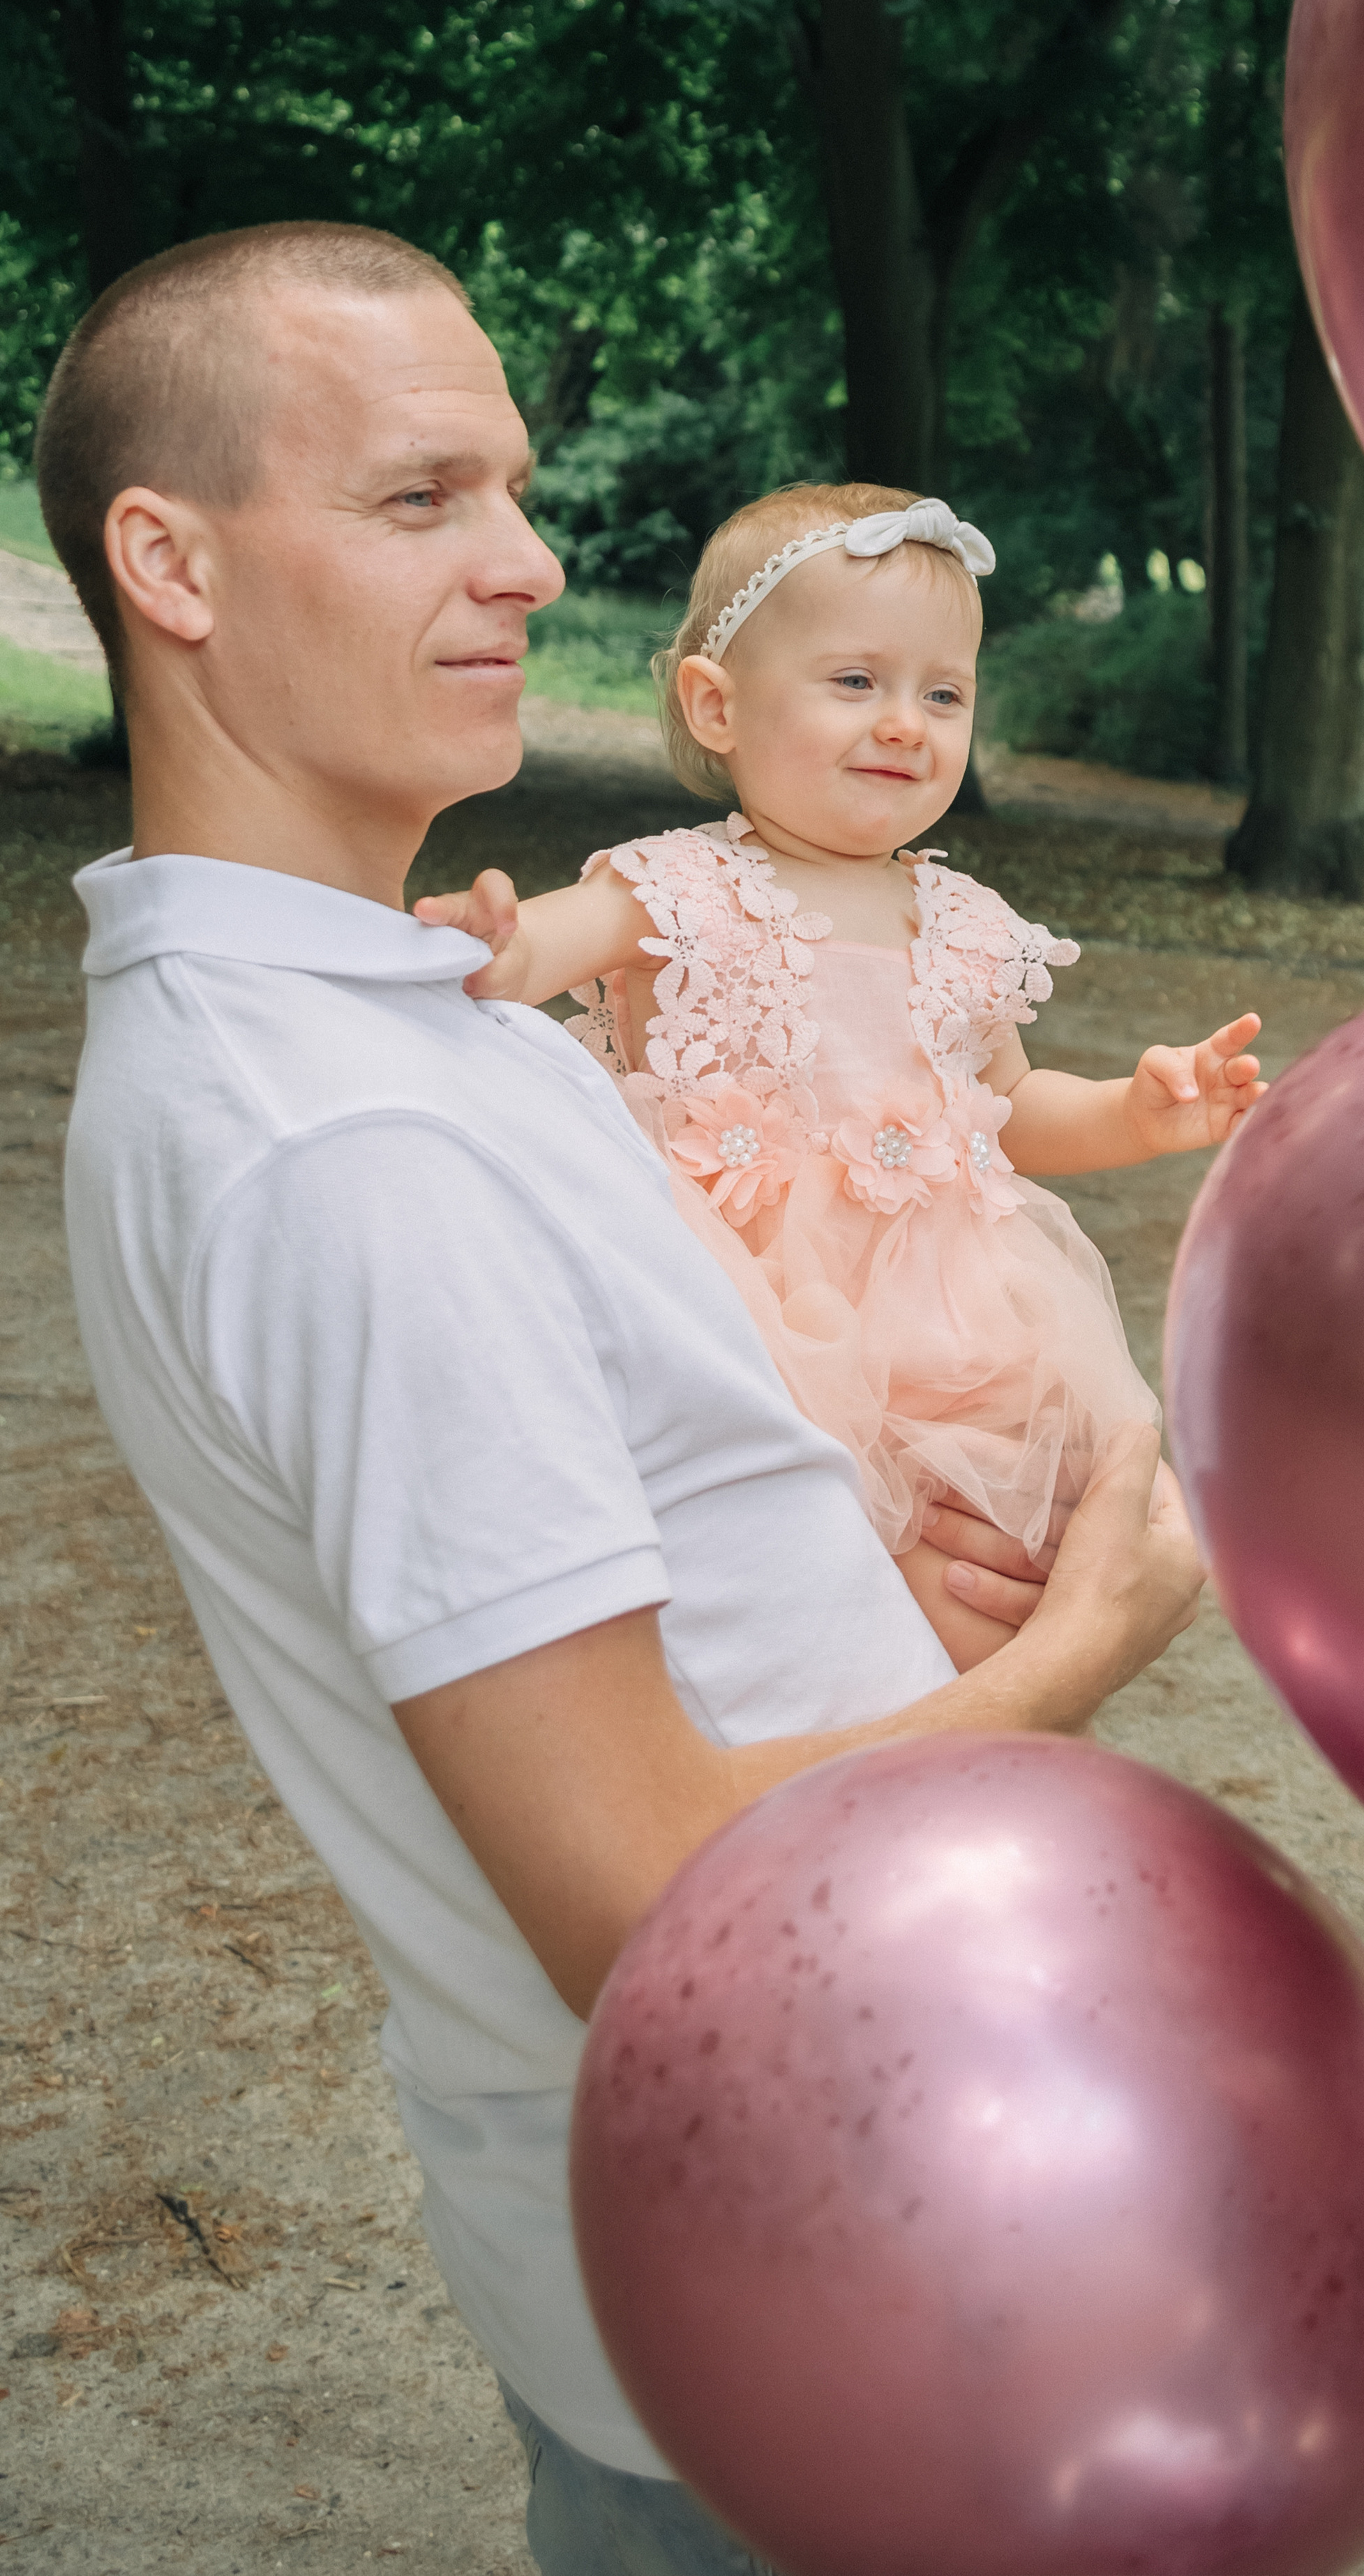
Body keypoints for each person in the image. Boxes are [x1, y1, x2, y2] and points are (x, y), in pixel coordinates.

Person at [42, 220, 1204, 2576]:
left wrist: (883, 1561)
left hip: (838, 2193)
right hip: (781, 2278)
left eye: (516, 488)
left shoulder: (401, 1021)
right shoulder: (349, 1148)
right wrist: (1091, 1634)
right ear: (169, 564)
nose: (529, 558)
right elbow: (652, 1910)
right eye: (420, 498)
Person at [415, 481, 1265, 1669]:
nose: (907, 724)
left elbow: (1006, 1108)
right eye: (857, 681)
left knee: (986, 1574)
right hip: (748, 1312)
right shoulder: (675, 890)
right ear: (716, 706)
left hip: (952, 1328)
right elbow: (533, 951)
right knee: (811, 1579)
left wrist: (1135, 1111)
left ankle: (946, 1714)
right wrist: (493, 941)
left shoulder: (961, 920)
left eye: (944, 693)